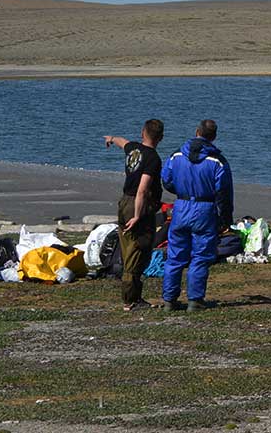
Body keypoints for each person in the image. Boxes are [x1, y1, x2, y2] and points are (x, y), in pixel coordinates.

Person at [160, 118, 233, 311]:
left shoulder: (176, 156)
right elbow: (224, 193)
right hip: (204, 208)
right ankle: (195, 299)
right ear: (214, 137)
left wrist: (181, 190)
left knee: (175, 255)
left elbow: (166, 179)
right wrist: (225, 219)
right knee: (201, 255)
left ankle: (169, 299)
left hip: (182, 206)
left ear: (196, 131)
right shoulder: (217, 161)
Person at [100, 119, 164, 310]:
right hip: (137, 204)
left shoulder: (134, 149)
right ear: (160, 138)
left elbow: (122, 141)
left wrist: (112, 138)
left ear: (142, 133)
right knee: (137, 250)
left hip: (124, 200)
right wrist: (138, 215)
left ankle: (134, 297)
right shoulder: (153, 158)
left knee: (128, 245)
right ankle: (131, 300)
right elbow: (143, 190)